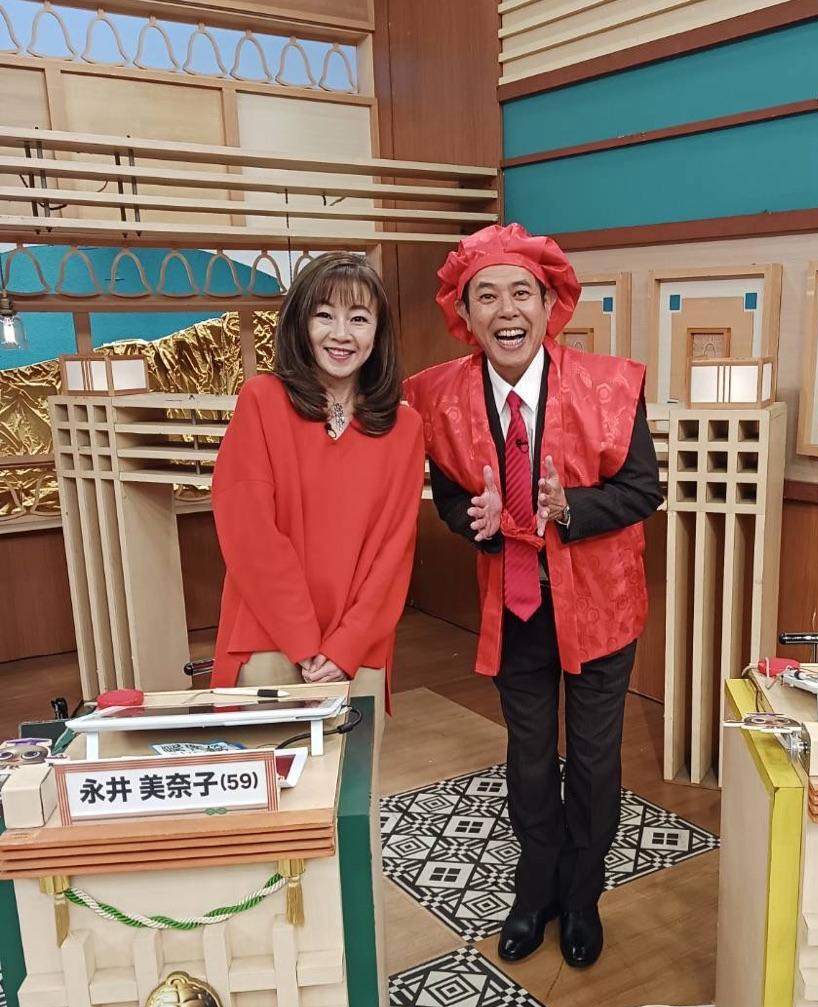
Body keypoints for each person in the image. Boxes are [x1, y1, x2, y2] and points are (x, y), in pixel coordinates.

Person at [404, 224, 662, 968]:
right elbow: (452, 498)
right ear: (464, 313)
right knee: (527, 756)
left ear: (551, 305)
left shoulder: (611, 387)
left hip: (601, 606)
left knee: (594, 759)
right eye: (486, 295)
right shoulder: (440, 397)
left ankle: (582, 895)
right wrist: (478, 523)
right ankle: (534, 887)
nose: (506, 309)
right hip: (514, 604)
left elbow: (642, 489)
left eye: (522, 292)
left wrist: (568, 507)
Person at [211, 252, 424, 699]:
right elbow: (249, 532)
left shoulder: (405, 428)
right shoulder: (262, 401)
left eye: (359, 319)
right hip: (268, 634)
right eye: (324, 315)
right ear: (300, 324)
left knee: (354, 750)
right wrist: (303, 640)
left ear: (378, 333)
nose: (341, 334)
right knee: (272, 750)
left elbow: (394, 551)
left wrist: (346, 644)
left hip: (358, 644)